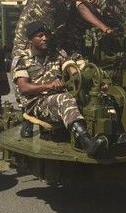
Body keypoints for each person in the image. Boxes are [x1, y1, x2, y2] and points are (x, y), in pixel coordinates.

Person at [13, 20, 108, 156]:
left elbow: (73, 70)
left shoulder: (56, 54)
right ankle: (87, 143)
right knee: (65, 99)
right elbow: (24, 88)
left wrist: (92, 82)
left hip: (55, 97)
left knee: (93, 98)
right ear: (31, 39)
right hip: (36, 102)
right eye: (40, 35)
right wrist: (48, 85)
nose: (45, 38)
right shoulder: (22, 59)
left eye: (46, 35)